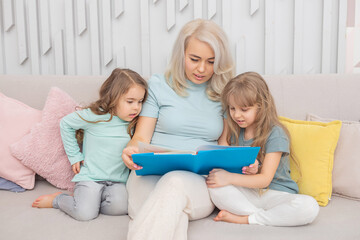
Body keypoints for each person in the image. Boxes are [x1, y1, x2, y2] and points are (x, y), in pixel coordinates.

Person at [121, 19, 257, 239]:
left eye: (211, 62)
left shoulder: (225, 94)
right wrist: (130, 151)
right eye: (194, 59)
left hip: (196, 182)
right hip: (148, 177)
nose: (202, 69)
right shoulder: (157, 85)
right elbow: (140, 138)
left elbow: (223, 145)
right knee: (172, 214)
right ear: (181, 54)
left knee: (174, 184)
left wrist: (242, 164)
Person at [31, 68, 148, 221]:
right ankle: (59, 199)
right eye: (130, 101)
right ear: (113, 98)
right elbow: (66, 124)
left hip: (117, 180)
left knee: (120, 208)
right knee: (84, 214)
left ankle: (86, 201)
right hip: (91, 177)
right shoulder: (95, 115)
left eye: (140, 102)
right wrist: (74, 156)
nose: (136, 107)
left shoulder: (135, 123)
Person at [206, 72, 319, 226]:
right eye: (232, 108)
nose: (237, 115)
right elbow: (222, 150)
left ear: (261, 107)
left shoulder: (275, 133)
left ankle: (245, 218)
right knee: (213, 185)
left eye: (244, 109)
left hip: (277, 195)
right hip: (247, 192)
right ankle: (264, 217)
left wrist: (231, 177)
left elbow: (265, 179)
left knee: (309, 207)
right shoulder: (234, 127)